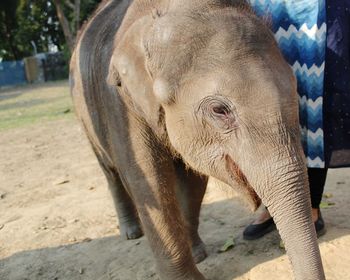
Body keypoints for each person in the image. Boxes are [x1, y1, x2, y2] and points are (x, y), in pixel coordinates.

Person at [243, 0, 350, 240]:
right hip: (267, 7)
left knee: (315, 114)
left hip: (319, 12)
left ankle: (311, 207)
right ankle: (272, 206)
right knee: (265, 109)